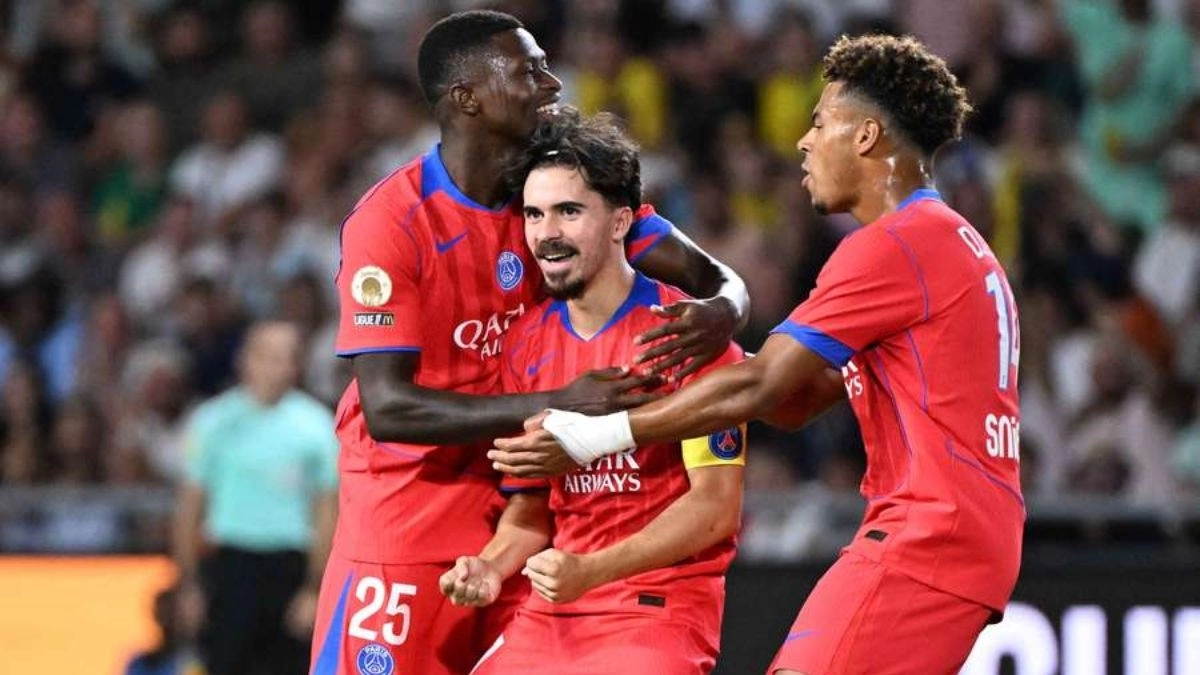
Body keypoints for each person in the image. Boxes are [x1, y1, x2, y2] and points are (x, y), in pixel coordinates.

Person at [492, 34, 1024, 675]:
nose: (804, 140)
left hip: (928, 533)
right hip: (958, 532)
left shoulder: (894, 246)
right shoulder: (947, 241)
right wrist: (695, 360)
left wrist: (598, 435)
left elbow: (763, 388)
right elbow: (798, 401)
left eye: (821, 122)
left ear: (865, 137)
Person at [309, 10, 750, 675]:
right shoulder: (391, 222)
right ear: (468, 99)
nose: (551, 84)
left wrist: (725, 309)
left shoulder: (551, 194)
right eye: (529, 71)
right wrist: (561, 402)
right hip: (411, 512)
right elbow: (389, 409)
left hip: (524, 511)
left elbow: (711, 277)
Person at [439, 109, 745, 674]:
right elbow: (530, 509)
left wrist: (592, 569)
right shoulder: (524, 346)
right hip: (554, 609)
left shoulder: (688, 334)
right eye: (534, 214)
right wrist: (489, 567)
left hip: (657, 605)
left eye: (568, 212)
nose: (546, 233)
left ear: (621, 220)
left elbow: (714, 508)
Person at [174, 320, 338, 675]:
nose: (276, 366)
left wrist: (315, 588)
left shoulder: (317, 426)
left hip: (290, 568)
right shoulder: (212, 421)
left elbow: (327, 511)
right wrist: (189, 584)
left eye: (287, 357)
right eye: (267, 356)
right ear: (245, 359)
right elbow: (190, 507)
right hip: (230, 567)